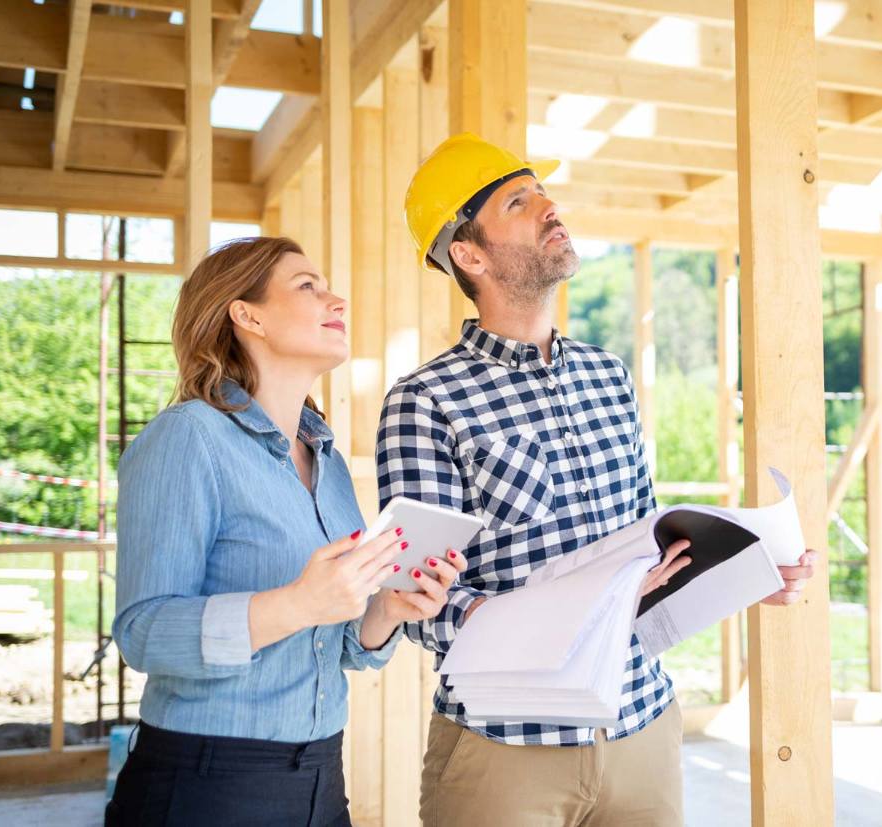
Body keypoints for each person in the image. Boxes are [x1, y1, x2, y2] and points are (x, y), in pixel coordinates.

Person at [376, 134, 818, 825]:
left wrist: (748, 567)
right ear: (470, 254)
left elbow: (646, 553)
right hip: (506, 754)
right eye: (519, 201)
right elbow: (423, 606)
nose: (550, 207)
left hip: (641, 725)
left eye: (545, 193)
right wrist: (583, 609)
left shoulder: (608, 376)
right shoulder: (426, 399)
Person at [108, 236, 466, 826]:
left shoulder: (325, 459)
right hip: (205, 784)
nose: (337, 299)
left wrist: (389, 611)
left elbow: (344, 646)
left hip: (322, 777)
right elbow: (142, 633)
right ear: (247, 316)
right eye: (308, 286)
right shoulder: (187, 437)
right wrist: (299, 603)